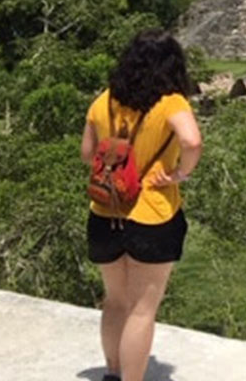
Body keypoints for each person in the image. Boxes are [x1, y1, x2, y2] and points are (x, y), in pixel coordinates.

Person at [81, 29, 203, 381]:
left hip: (105, 212)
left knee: (115, 301)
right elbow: (192, 141)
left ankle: (113, 372)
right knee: (141, 310)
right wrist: (180, 173)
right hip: (151, 214)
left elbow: (87, 154)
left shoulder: (104, 100)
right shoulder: (171, 103)